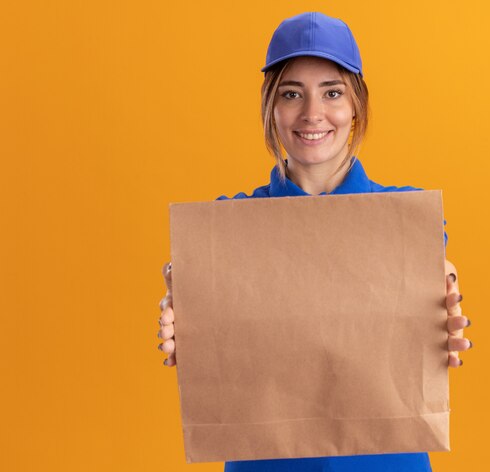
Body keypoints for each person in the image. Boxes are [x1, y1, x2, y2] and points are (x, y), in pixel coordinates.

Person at [157, 12, 472, 472]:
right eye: (291, 94)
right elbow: (188, 302)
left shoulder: (405, 219)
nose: (312, 114)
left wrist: (446, 311)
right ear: (271, 107)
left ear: (356, 106)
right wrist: (183, 318)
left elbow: (444, 278)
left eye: (332, 92)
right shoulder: (228, 228)